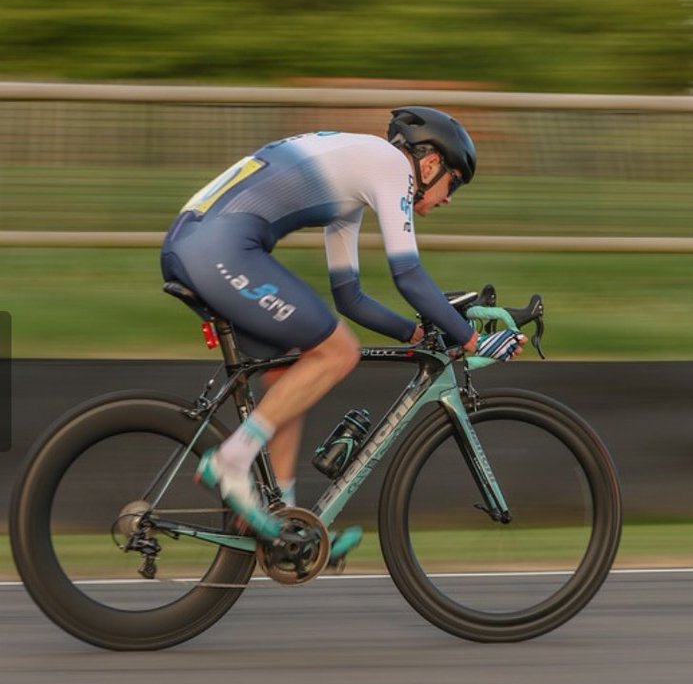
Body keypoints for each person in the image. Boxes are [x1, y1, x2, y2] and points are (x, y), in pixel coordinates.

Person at [160, 106, 525, 561]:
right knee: (338, 352)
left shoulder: (354, 179)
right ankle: (232, 459)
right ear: (431, 164)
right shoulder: (390, 165)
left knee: (293, 371)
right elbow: (408, 275)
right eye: (453, 184)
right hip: (218, 249)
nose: (448, 199)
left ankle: (284, 524)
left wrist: (415, 333)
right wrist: (472, 340)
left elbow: (350, 297)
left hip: (199, 243)